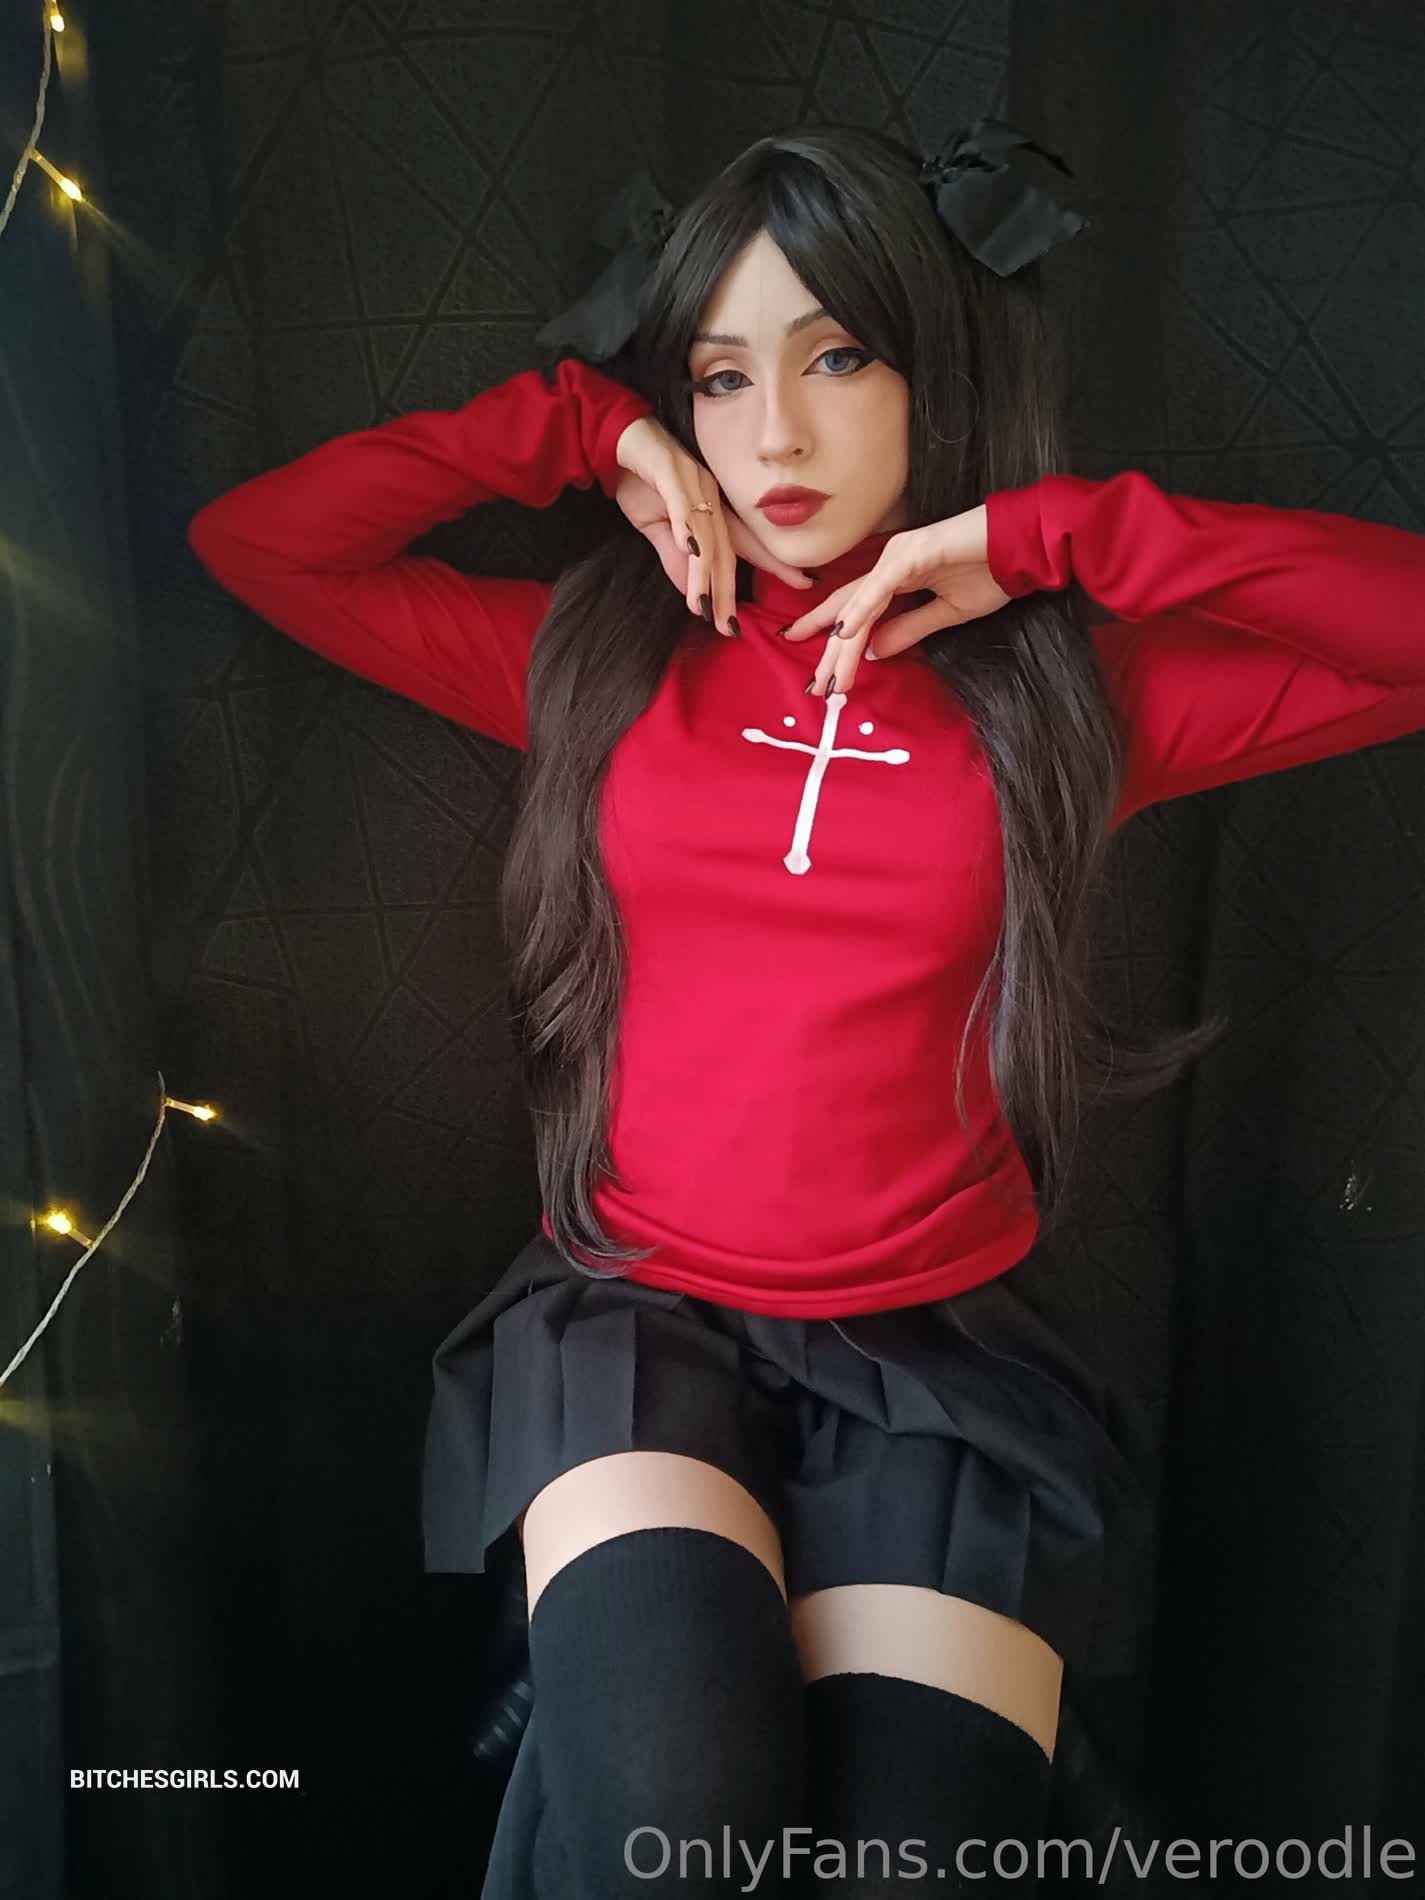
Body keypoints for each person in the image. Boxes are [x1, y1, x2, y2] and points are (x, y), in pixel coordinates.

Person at [187, 121, 1425, 1898]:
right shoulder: (596, 663)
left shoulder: (1068, 703)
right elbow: (259, 543)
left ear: (936, 371)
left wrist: (1062, 538)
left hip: (938, 1363)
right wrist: (570, 429)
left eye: (836, 358)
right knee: (681, 1830)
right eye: (719, 376)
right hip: (635, 1322)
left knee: (909, 1865)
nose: (772, 434)